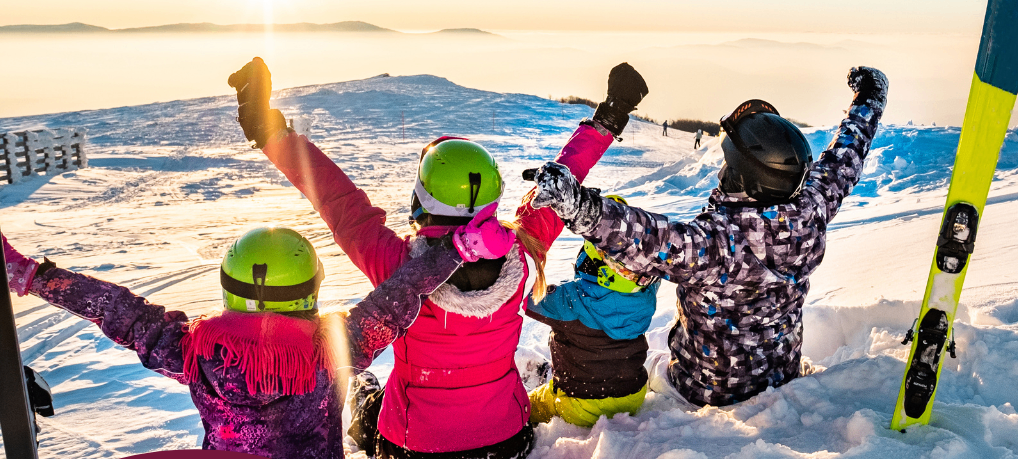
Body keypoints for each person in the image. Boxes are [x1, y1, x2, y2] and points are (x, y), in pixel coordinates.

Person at [227, 57, 647, 458]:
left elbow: (337, 199)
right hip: (506, 441)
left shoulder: (397, 266)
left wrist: (270, 132)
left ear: (420, 200)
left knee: (367, 404)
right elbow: (560, 184)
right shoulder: (522, 251)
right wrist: (608, 117)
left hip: (413, 446)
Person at [0, 219, 514, 459]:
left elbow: (121, 312)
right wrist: (457, 249)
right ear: (311, 290)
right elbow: (398, 298)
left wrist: (34, 276)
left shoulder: (193, 348)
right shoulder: (334, 348)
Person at [527, 66, 888, 407]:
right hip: (781, 374)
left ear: (743, 178)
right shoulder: (812, 208)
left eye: (729, 164)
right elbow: (845, 158)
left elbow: (645, 238)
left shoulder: (718, 244)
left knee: (645, 375)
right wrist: (868, 100)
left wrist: (577, 205)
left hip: (704, 390)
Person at [525, 194, 659, 427]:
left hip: (581, 404)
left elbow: (528, 299)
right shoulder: (646, 294)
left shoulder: (570, 300)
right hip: (633, 394)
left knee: (530, 406)